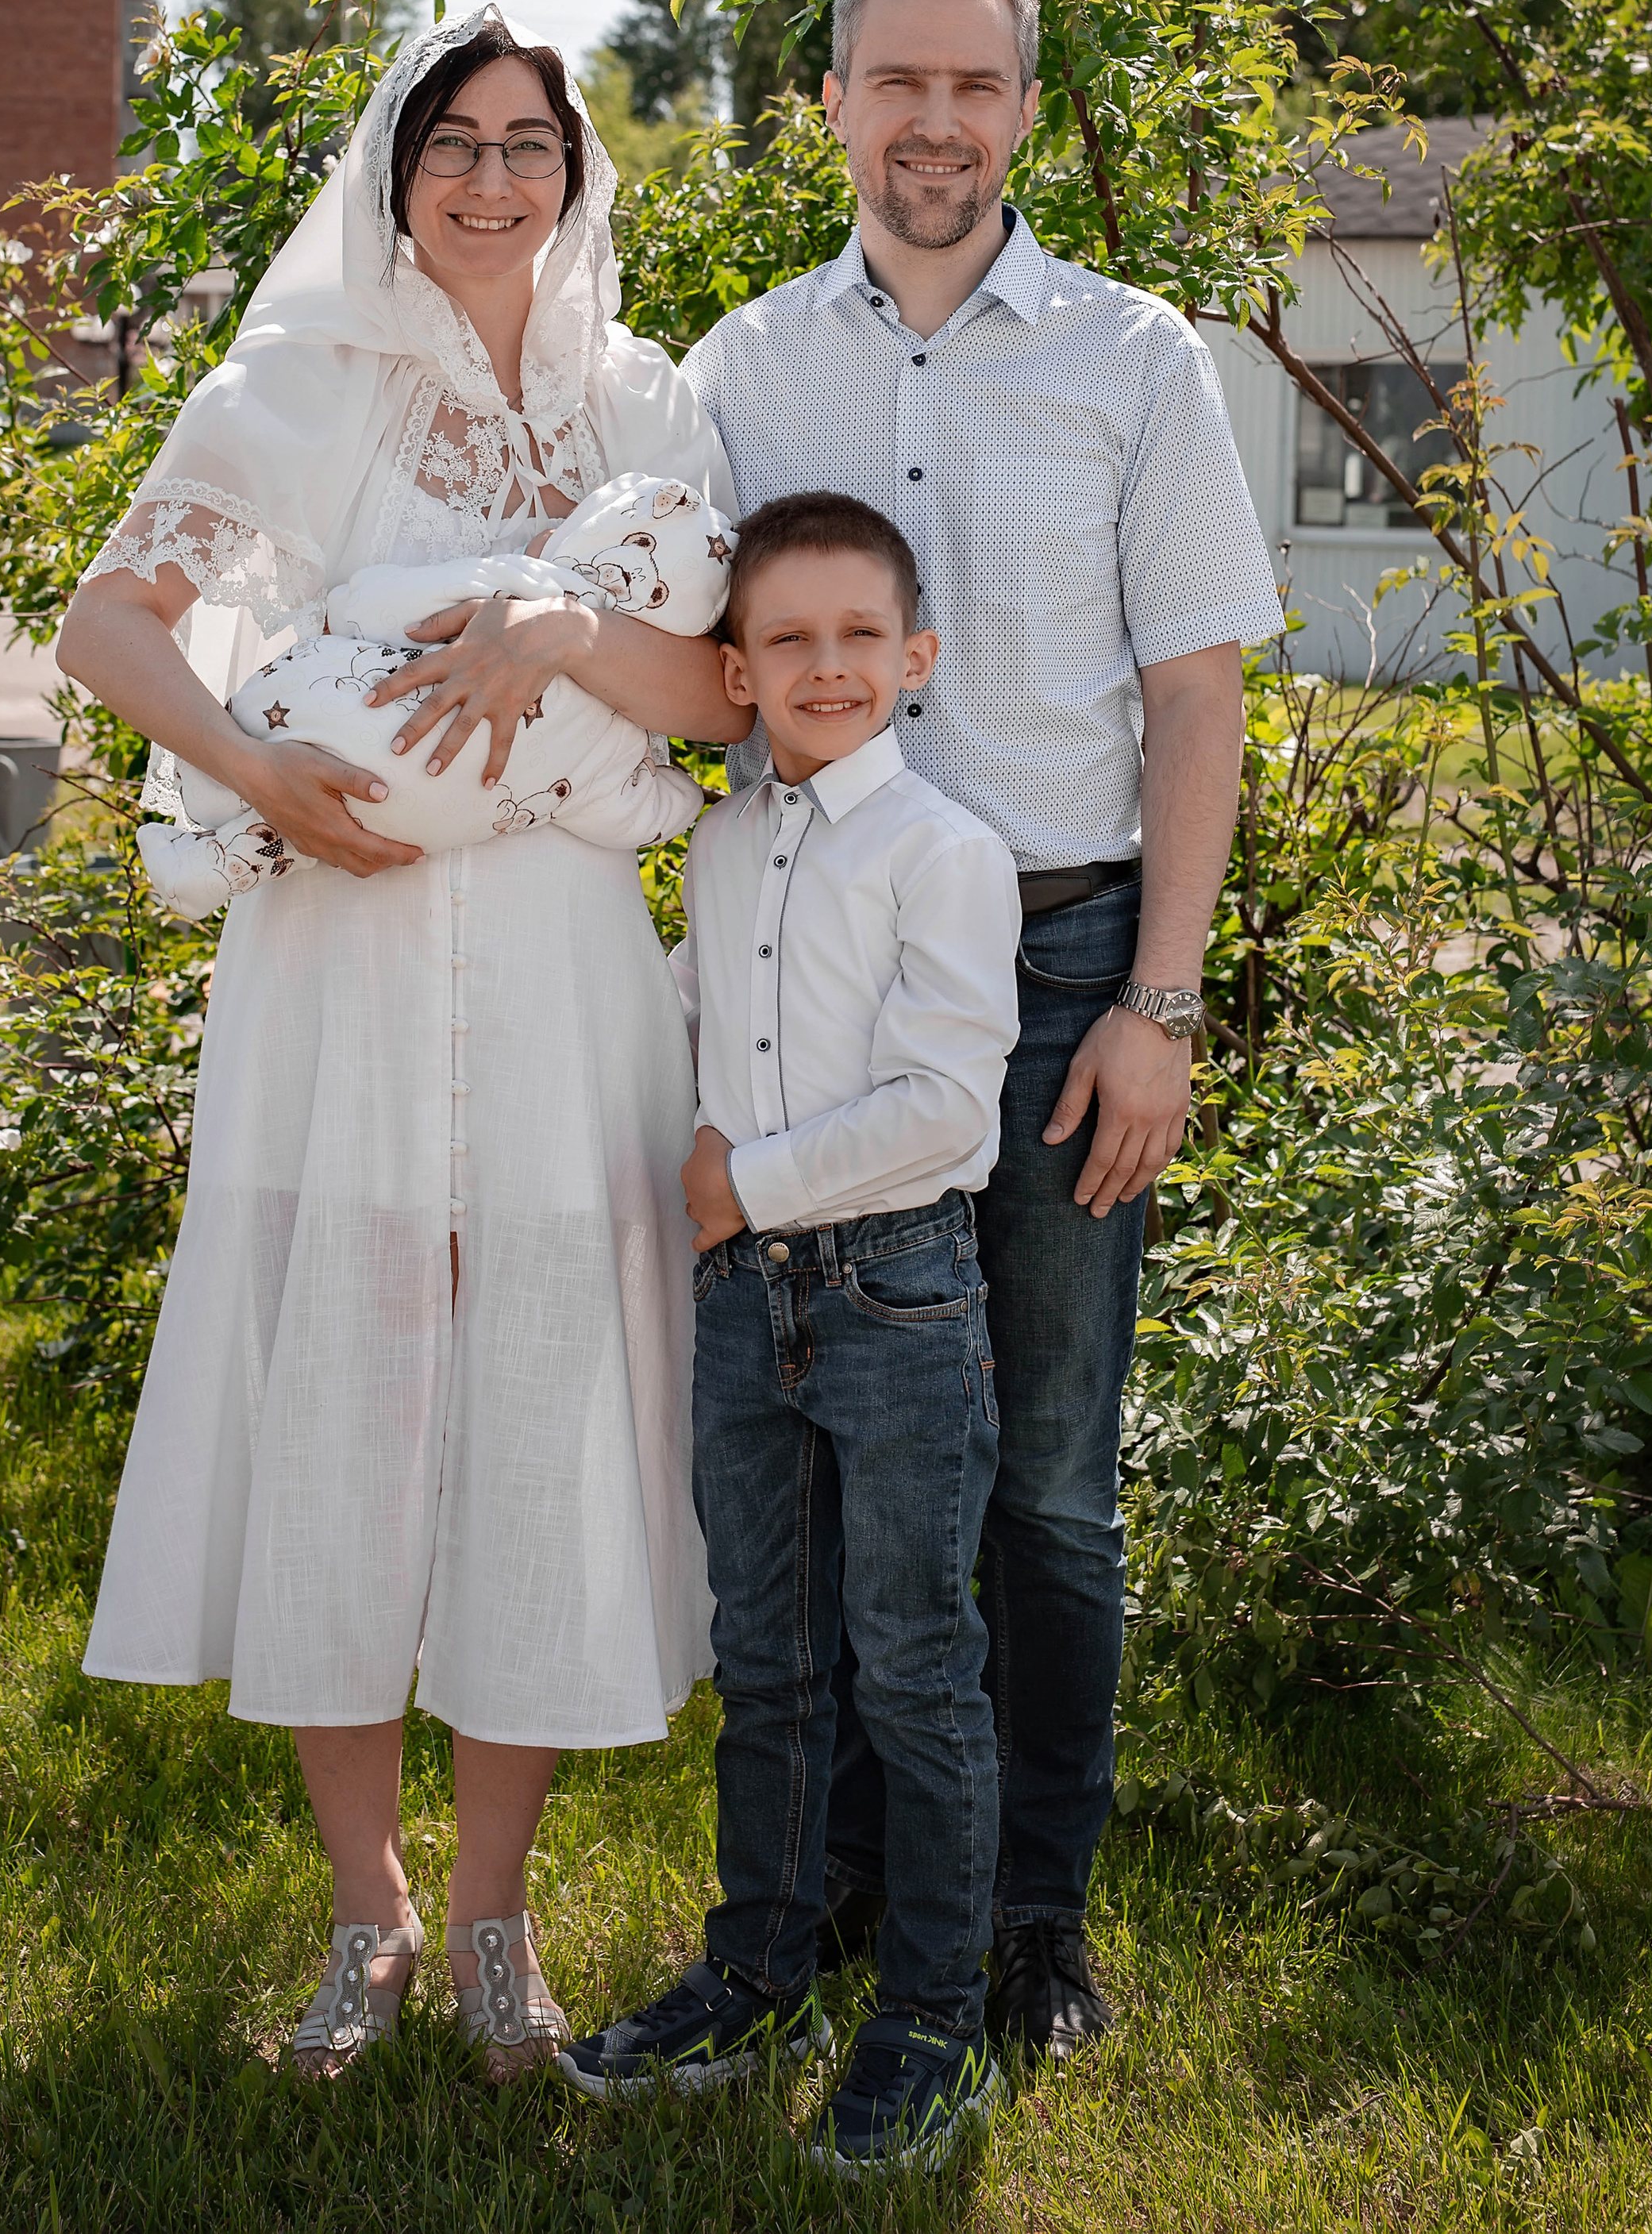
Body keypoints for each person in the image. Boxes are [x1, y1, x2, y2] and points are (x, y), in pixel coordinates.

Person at [58, 6, 749, 2082]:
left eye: (528, 142)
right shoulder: (301, 382)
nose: (489, 178)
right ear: (394, 169)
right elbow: (106, 626)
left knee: (538, 1410)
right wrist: (258, 775)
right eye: (451, 141)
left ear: (575, 171)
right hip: (340, 970)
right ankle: (362, 1916)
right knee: (344, 1409)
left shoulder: (646, 401)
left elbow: (720, 699)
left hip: (558, 976)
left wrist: (558, 633)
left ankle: (491, 1923)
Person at [679, 0, 1281, 2067]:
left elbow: (1195, 690)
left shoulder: (1134, 358)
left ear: (1024, 109)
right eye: (896, 81)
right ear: (833, 102)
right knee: (844, 1462)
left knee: (1042, 1483)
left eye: (975, 85)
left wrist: (1160, 1005)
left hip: (1060, 974)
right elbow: (697, 670)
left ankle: (1033, 1924)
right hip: (818, 986)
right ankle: (852, 1886)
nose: (934, 122)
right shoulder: (743, 369)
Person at [559, 493, 1022, 2174]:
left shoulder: (944, 853)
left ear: (917, 656)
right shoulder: (723, 841)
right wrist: (709, 1160)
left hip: (897, 1294)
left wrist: (739, 1181)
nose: (827, 666)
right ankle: (761, 1974)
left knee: (912, 1664)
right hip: (744, 1302)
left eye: (858, 636)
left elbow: (944, 1108)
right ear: (737, 674)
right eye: (787, 640)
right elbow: (701, 1029)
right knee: (766, 1658)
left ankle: (935, 2019)